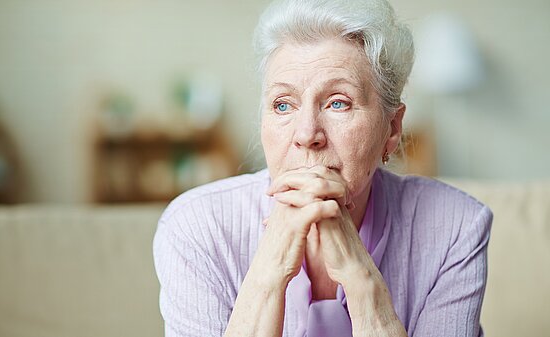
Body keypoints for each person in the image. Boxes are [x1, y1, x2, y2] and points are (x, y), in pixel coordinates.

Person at [153, 0, 493, 336]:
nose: (306, 134)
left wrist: (360, 277)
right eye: (283, 104)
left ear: (391, 129)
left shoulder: (456, 227)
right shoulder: (196, 227)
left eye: (338, 103)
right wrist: (269, 270)